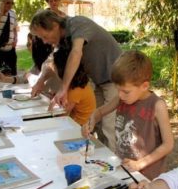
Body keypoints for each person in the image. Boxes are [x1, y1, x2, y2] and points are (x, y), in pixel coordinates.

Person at [30, 9, 122, 151]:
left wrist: (63, 89)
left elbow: (76, 52)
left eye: (44, 36)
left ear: (54, 25)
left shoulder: (78, 24)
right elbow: (51, 64)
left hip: (115, 78)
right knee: (93, 122)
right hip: (99, 81)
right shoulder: (62, 41)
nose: (44, 41)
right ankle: (98, 158)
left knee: (108, 126)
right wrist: (40, 81)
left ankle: (113, 164)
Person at [81, 51, 174, 180]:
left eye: (125, 91)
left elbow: (168, 144)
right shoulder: (121, 98)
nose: (120, 95)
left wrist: (140, 164)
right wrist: (90, 122)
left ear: (144, 86)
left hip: (148, 176)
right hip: (124, 168)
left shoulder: (157, 106)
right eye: (117, 90)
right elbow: (100, 112)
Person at [53, 44, 96, 125]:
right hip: (79, 123)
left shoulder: (75, 91)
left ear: (60, 70)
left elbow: (62, 115)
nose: (53, 69)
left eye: (54, 67)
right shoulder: (77, 84)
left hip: (80, 127)